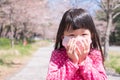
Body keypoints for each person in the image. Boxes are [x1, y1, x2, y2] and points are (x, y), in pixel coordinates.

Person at [46, 8, 108, 80]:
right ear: (63, 37)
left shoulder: (95, 54)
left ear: (91, 36)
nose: (78, 39)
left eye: (84, 34)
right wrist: (72, 62)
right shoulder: (58, 54)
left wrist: (83, 61)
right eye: (71, 35)